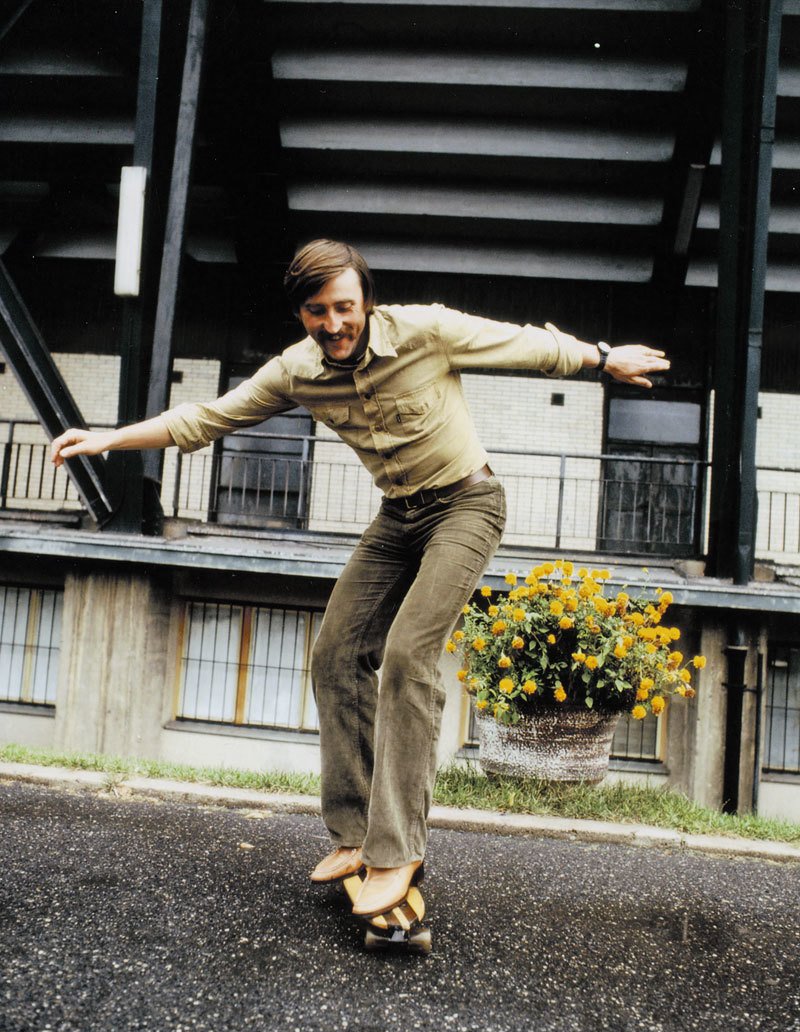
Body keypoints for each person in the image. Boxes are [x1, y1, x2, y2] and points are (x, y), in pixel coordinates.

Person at [51, 239, 669, 919]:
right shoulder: (297, 369)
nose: (335, 323)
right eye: (319, 312)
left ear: (365, 302)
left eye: (345, 307)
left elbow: (526, 346)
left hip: (467, 505)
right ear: (303, 314)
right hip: (397, 518)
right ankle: (352, 835)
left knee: (408, 658)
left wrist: (607, 359)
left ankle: (398, 846)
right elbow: (206, 418)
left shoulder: (424, 331)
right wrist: (108, 439)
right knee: (336, 655)